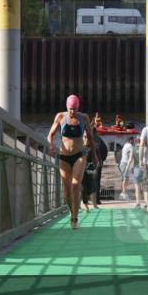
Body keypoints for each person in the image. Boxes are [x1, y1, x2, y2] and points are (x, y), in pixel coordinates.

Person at [46, 95, 99, 229]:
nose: (72, 112)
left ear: (78, 107)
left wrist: (95, 156)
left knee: (75, 185)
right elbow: (50, 134)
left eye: (75, 109)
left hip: (79, 155)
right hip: (64, 156)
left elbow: (91, 138)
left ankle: (75, 218)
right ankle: (72, 212)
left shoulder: (84, 118)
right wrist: (51, 146)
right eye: (70, 109)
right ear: (66, 107)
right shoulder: (60, 117)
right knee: (66, 191)